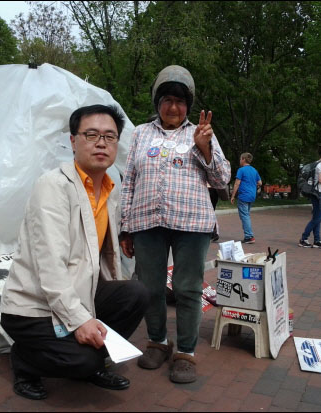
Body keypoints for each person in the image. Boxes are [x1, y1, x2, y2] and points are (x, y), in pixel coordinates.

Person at [0, 105, 149, 400]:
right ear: (73, 141)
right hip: (33, 307)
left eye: (109, 136)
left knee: (136, 294)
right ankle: (25, 360)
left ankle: (87, 359)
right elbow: (51, 265)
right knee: (84, 361)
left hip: (80, 293)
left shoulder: (109, 188)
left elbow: (106, 257)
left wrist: (96, 315)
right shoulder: (53, 187)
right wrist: (80, 320)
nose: (101, 143)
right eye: (91, 134)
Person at [119, 65, 231, 384]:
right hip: (146, 221)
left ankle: (185, 352)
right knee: (149, 287)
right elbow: (129, 182)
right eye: (167, 99)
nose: (173, 107)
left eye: (180, 101)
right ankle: (157, 341)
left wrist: (204, 147)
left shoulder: (202, 133)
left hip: (192, 223)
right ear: (157, 101)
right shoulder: (140, 133)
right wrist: (125, 226)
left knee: (187, 288)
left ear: (188, 106)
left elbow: (222, 179)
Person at [230, 152, 262, 244]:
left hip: (244, 195)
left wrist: (233, 196)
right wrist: (253, 185)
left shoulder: (241, 170)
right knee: (246, 215)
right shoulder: (254, 170)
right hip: (252, 195)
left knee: (245, 216)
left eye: (240, 159)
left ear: (243, 159)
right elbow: (260, 183)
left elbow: (237, 183)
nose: (240, 160)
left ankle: (249, 236)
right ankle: (248, 235)